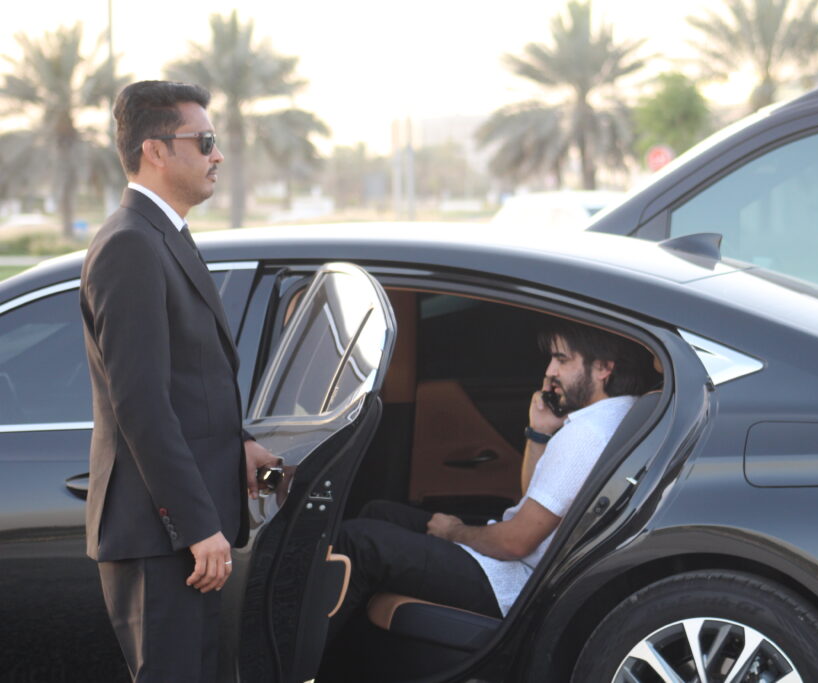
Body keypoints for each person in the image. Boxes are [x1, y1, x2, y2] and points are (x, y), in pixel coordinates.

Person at [79, 80, 278, 682]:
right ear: (156, 151)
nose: (219, 155)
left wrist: (239, 442)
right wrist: (196, 527)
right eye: (206, 141)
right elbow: (140, 404)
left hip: (180, 538)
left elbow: (188, 378)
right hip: (160, 538)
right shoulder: (130, 245)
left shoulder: (162, 235)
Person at [326, 321, 654, 642]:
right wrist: (539, 433)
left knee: (357, 541)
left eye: (561, 359)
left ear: (603, 368)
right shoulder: (621, 414)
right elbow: (534, 498)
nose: (550, 371)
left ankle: (310, 656)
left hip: (512, 581)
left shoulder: (585, 435)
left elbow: (516, 543)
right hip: (524, 564)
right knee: (379, 512)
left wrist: (454, 532)